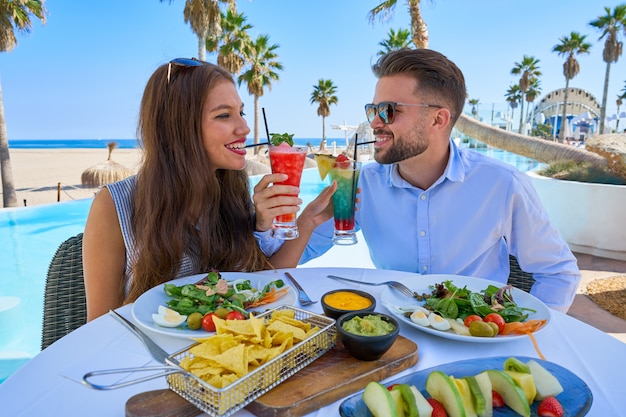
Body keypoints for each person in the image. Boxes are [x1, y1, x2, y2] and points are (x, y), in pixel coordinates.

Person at [301, 49, 581, 313]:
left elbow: (557, 272)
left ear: (438, 120)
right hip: (392, 332)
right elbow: (304, 249)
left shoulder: (502, 184)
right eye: (372, 110)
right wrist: (272, 222)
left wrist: (523, 334)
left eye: (388, 110)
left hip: (473, 333)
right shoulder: (362, 185)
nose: (375, 122)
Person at [83, 58, 335, 321]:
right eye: (224, 115)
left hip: (230, 354)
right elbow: (99, 328)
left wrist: (307, 221)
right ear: (179, 127)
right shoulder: (113, 206)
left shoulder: (232, 194)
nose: (244, 128)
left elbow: (259, 291)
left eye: (241, 112)